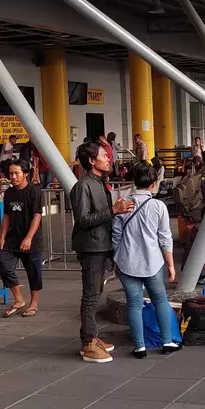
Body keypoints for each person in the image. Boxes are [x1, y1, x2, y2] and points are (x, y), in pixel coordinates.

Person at [70, 142, 135, 363]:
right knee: (90, 296)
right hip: (90, 248)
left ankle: (90, 337)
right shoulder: (82, 186)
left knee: (94, 293)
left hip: (101, 245)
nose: (108, 159)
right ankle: (88, 342)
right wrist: (113, 210)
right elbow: (83, 220)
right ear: (91, 161)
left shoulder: (99, 183)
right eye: (103, 156)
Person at [112, 162, 181, 359]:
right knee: (160, 300)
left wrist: (117, 260)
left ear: (134, 181)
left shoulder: (122, 204)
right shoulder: (159, 206)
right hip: (153, 262)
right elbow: (165, 238)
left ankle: (140, 347)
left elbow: (116, 236)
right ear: (153, 184)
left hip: (127, 262)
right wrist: (170, 265)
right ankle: (167, 341)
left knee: (134, 304)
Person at [0, 159, 44, 318]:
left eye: (16, 173)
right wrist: (2, 236)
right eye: (11, 173)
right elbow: (7, 216)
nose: (13, 176)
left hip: (31, 237)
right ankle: (18, 299)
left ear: (25, 174)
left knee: (33, 271)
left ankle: (34, 302)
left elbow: (37, 216)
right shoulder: (9, 193)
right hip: (12, 237)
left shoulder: (34, 191)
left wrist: (29, 238)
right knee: (3, 263)